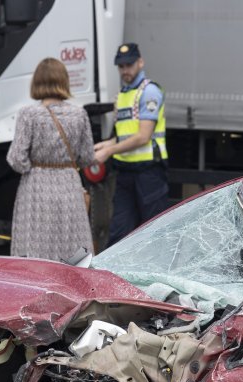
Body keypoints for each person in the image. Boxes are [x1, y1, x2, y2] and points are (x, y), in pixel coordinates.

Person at [6, 57, 94, 260]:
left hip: (36, 187)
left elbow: (16, 159)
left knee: (35, 247)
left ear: (36, 82)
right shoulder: (79, 114)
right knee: (72, 245)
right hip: (69, 185)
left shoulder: (29, 114)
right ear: (64, 81)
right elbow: (87, 157)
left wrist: (34, 166)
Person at [94, 42, 169, 246]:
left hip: (149, 173)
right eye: (121, 66)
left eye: (129, 65)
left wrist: (109, 150)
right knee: (120, 235)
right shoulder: (123, 96)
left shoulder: (149, 92)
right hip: (126, 174)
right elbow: (125, 136)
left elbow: (143, 136)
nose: (125, 70)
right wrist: (105, 144)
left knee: (155, 235)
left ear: (140, 62)